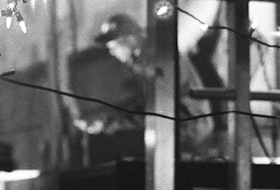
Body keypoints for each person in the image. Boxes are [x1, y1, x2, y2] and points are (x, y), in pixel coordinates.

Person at [94, 12, 225, 159]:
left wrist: (110, 124)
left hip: (188, 131)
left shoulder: (152, 59)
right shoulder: (151, 55)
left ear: (129, 39)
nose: (112, 52)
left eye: (114, 46)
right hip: (189, 129)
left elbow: (155, 107)